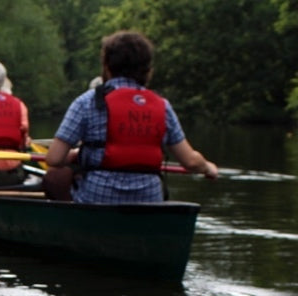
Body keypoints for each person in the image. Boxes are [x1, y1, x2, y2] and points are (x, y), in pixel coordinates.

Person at [44, 31, 218, 203]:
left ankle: (74, 226)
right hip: (149, 200)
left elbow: (54, 158)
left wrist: (79, 156)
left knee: (55, 177)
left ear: (106, 66)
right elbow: (191, 162)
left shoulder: (87, 102)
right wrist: (208, 167)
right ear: (148, 70)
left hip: (98, 199)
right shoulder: (162, 106)